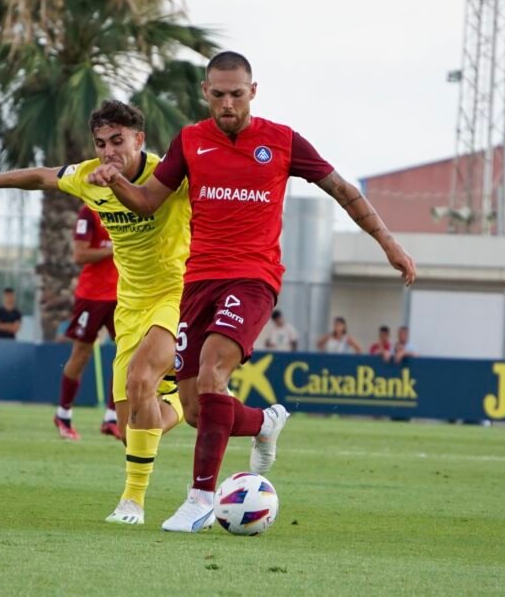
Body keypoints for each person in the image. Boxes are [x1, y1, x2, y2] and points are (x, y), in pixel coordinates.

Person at [88, 51, 416, 532]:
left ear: (253, 92)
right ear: (206, 93)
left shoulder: (281, 141)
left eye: (236, 94)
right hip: (197, 282)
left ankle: (199, 498)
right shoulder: (190, 141)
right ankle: (264, 422)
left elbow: (343, 189)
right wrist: (115, 179)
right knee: (199, 410)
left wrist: (388, 242)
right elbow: (146, 202)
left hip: (253, 278)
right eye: (218, 94)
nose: (227, 103)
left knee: (214, 370)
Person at [0, 99, 192, 525]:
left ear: (139, 140)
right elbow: (42, 176)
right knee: (134, 426)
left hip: (175, 294)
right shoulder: (88, 176)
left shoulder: (167, 175)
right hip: (130, 304)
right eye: (101, 143)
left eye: (118, 141)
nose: (108, 151)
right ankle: (182, 401)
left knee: (142, 379)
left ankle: (132, 503)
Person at [50, 206, 119, 441]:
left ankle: (112, 418)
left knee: (128, 354)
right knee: (81, 354)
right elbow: (80, 255)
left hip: (122, 295)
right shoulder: (89, 212)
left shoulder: (130, 204)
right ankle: (63, 415)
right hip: (92, 296)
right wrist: (115, 249)